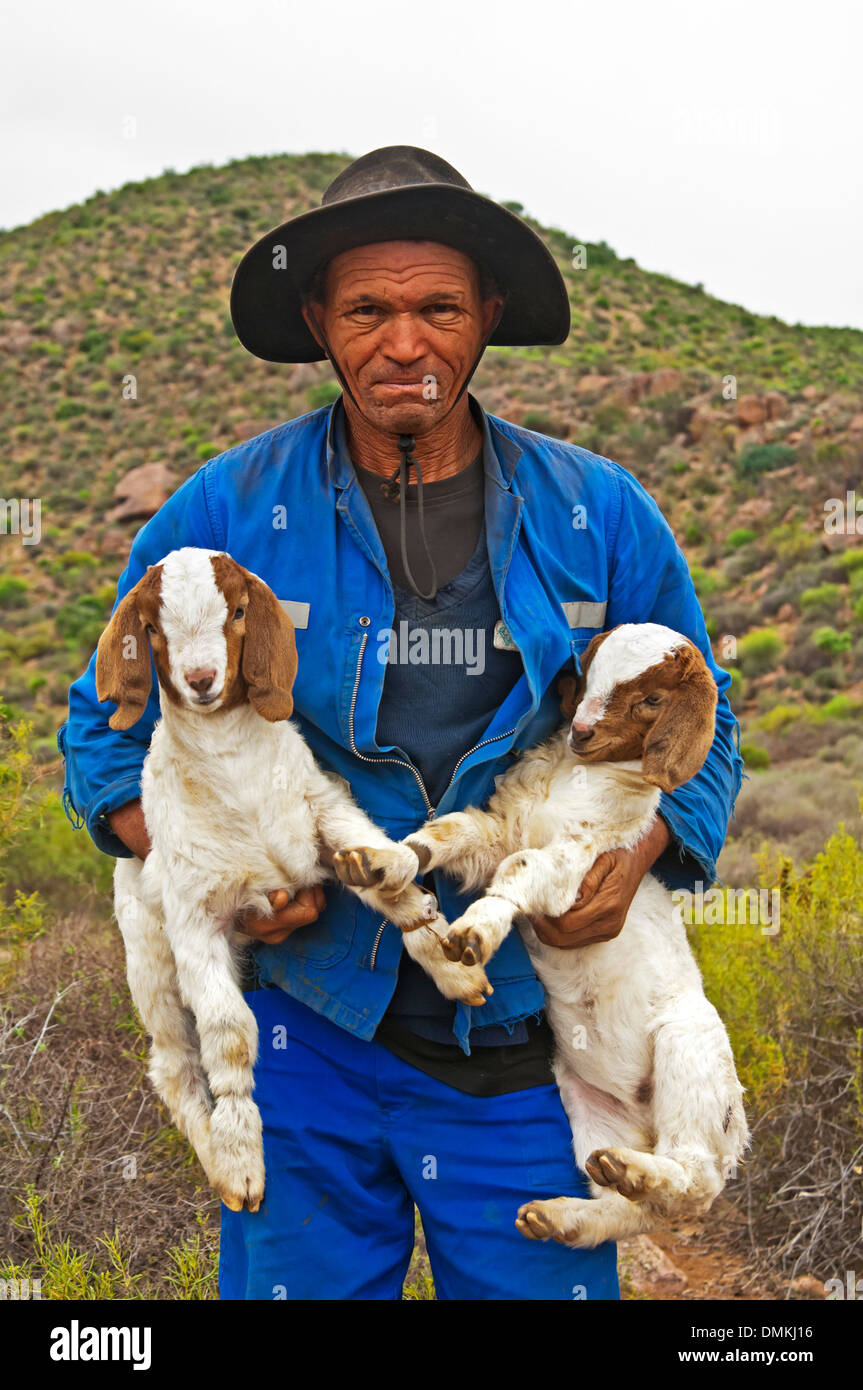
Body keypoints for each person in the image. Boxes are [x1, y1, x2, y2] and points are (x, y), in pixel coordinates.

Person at [59, 146, 743, 1300]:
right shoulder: (227, 510)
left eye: (436, 306)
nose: (404, 342)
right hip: (307, 1035)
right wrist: (200, 864)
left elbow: (701, 723)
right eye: (368, 308)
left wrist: (645, 854)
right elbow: (100, 733)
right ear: (321, 321)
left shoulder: (598, 514)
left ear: (488, 316)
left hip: (528, 1043)